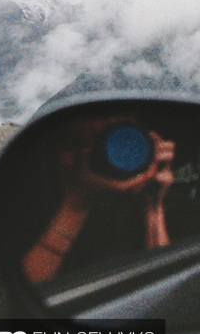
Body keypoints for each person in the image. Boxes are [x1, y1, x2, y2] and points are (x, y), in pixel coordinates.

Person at [21, 115, 176, 284]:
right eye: (76, 142)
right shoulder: (21, 214)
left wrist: (153, 205)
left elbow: (163, 286)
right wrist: (77, 204)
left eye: (114, 141)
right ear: (48, 154)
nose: (92, 155)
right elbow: (21, 293)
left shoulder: (167, 215)